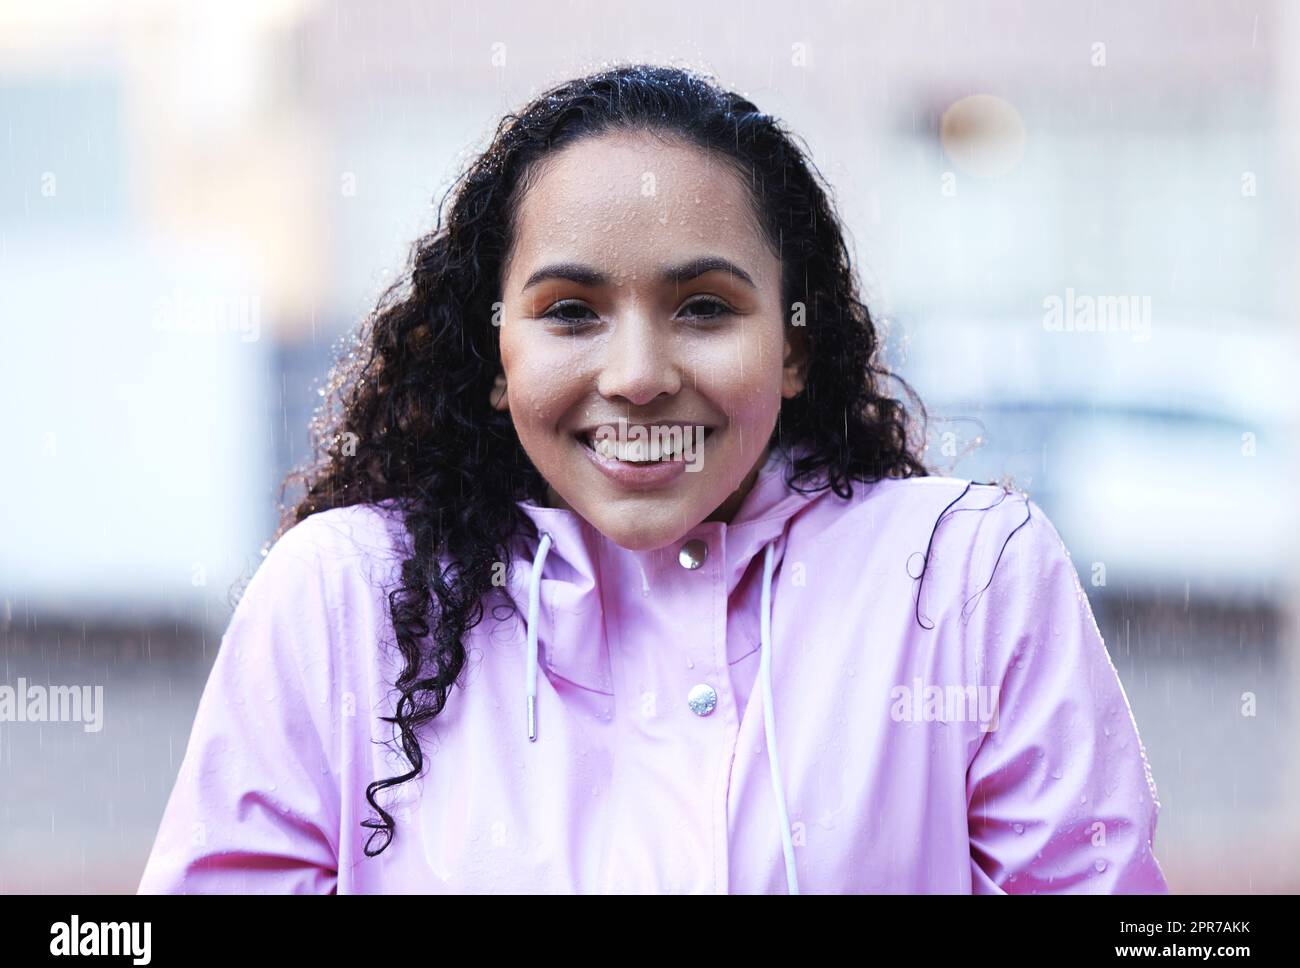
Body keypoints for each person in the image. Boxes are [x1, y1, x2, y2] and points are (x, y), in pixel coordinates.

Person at [137, 63, 1168, 894]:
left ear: (794, 345)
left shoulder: (967, 575)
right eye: (570, 313)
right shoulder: (340, 595)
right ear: (496, 355)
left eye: (705, 307)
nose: (636, 376)